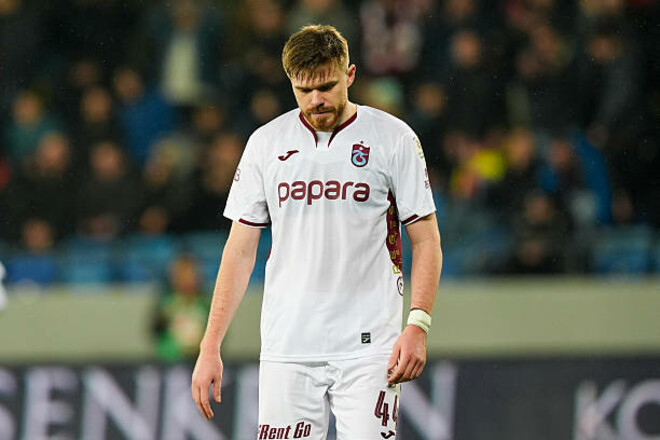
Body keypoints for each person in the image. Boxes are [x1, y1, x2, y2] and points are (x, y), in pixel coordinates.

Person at [191, 25, 442, 438]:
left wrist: (418, 323)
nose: (315, 100)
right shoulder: (266, 144)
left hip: (369, 347)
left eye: (326, 87)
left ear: (350, 75)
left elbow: (426, 238)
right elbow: (239, 250)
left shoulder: (394, 139)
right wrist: (210, 344)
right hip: (288, 345)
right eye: (303, 90)